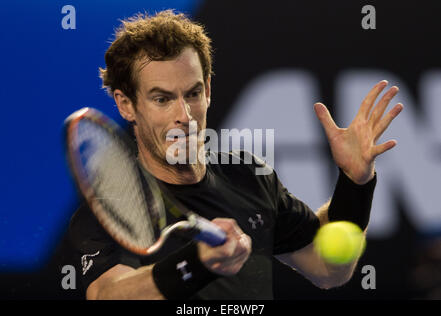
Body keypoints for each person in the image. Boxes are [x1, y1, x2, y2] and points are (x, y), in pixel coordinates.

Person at [65, 10, 403, 300]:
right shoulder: (107, 209)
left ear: (208, 90)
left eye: (193, 93)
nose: (184, 114)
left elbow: (330, 270)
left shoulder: (249, 177)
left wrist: (355, 184)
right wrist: (197, 263)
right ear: (126, 104)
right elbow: (108, 294)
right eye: (162, 99)